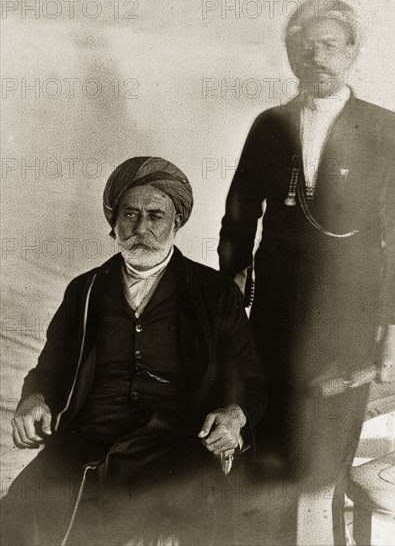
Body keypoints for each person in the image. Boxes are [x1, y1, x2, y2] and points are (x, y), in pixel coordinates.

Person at [1, 156, 267, 546]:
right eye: (130, 214)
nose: (141, 228)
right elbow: (50, 369)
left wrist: (234, 414)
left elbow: (250, 379)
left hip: (177, 440)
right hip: (88, 433)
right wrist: (34, 398)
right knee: (22, 509)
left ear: (177, 222)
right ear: (114, 221)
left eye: (155, 216)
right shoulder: (86, 290)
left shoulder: (214, 293)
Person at [218, 0, 395, 542]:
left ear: (352, 52)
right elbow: (237, 215)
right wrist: (232, 287)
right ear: (290, 56)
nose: (316, 57)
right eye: (304, 47)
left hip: (350, 315)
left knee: (324, 457)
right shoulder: (270, 125)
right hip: (274, 310)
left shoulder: (386, 128)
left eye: (329, 45)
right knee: (268, 440)